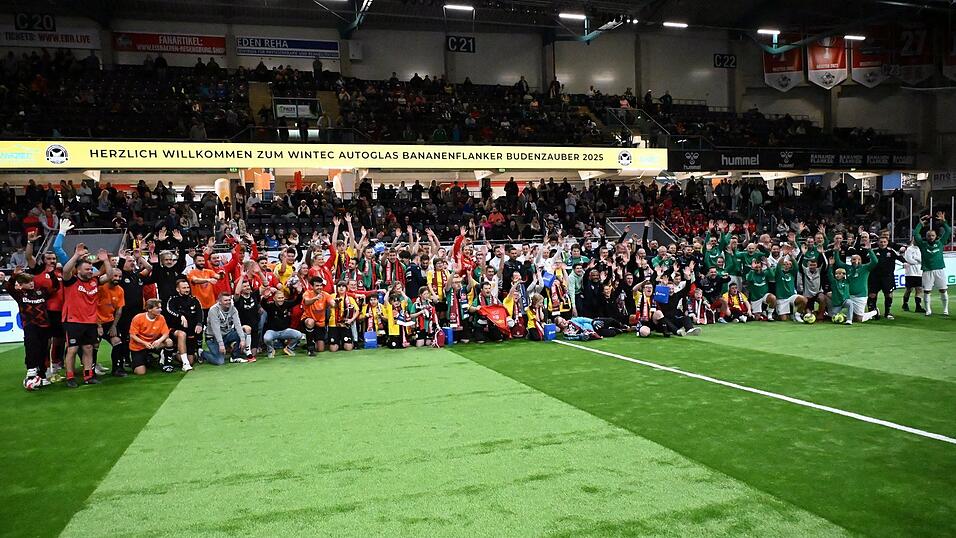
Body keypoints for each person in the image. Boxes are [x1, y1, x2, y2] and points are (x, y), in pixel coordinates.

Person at [61, 242, 113, 387]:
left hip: (90, 321)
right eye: (87, 269)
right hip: (72, 320)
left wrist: (106, 260)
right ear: (78, 270)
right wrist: (76, 255)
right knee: (72, 349)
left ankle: (88, 376)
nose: (91, 271)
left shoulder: (94, 281)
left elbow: (109, 275)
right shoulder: (71, 281)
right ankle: (70, 377)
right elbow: (65, 271)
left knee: (88, 348)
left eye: (91, 268)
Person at [6, 268, 51, 390]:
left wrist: (50, 274)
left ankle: (41, 374)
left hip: (45, 325)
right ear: (21, 285)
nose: (31, 283)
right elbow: (9, 287)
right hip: (30, 324)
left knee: (43, 349)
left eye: (32, 281)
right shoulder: (19, 294)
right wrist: (14, 275)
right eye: (28, 282)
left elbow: (55, 287)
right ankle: (31, 371)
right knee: (31, 345)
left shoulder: (41, 292)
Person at [913, 212, 951, 316]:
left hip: (939, 269)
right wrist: (920, 224)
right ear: (926, 236)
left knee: (943, 290)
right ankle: (928, 310)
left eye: (932, 235)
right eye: (929, 235)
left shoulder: (940, 243)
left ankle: (945, 310)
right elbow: (916, 234)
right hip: (927, 270)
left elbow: (948, 231)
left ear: (936, 236)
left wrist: (943, 222)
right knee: (927, 291)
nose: (930, 237)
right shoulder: (922, 244)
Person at [127, 299, 174, 375]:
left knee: (169, 342)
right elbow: (132, 335)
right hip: (139, 346)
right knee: (140, 372)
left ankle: (167, 364)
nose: (160, 310)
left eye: (160, 307)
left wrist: (159, 341)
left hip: (153, 344)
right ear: (149, 309)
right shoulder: (138, 318)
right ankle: (144, 360)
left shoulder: (161, 318)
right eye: (158, 308)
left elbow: (166, 333)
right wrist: (144, 343)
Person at [202, 292, 250, 365]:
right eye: (225, 300)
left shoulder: (233, 309)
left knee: (243, 334)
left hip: (227, 335)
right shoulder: (213, 310)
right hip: (213, 338)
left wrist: (243, 339)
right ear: (219, 302)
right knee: (219, 361)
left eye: (229, 300)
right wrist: (221, 344)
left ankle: (235, 357)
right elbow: (216, 329)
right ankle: (202, 353)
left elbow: (238, 325)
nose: (228, 302)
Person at [165, 278, 203, 370]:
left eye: (187, 287)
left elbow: (200, 313)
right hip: (175, 330)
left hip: (190, 331)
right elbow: (169, 310)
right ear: (178, 289)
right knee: (182, 334)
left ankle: (174, 355)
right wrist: (180, 316)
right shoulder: (172, 300)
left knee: (192, 360)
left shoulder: (194, 300)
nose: (187, 290)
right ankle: (185, 364)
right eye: (184, 288)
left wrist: (199, 324)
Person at [95, 268, 126, 377]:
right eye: (115, 276)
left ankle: (117, 369)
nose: (117, 279)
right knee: (95, 344)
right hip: (95, 321)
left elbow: (119, 311)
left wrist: (114, 326)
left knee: (117, 341)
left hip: (109, 322)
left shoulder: (120, 290)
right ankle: (92, 369)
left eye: (119, 277)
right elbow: (92, 307)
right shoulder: (100, 288)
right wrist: (98, 325)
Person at [262, 289, 303, 357]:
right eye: (279, 298)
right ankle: (270, 350)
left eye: (282, 298)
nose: (281, 300)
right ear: (274, 298)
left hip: (284, 331)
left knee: (299, 335)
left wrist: (299, 293)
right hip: (273, 331)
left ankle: (289, 348)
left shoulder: (286, 304)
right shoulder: (270, 306)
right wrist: (265, 297)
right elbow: (263, 304)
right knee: (266, 338)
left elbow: (297, 301)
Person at [901, 239, 924, 313]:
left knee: (919, 289)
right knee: (909, 289)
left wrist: (917, 259)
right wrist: (918, 261)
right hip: (910, 272)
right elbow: (909, 260)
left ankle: (918, 306)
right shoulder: (909, 249)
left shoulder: (921, 249)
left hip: (919, 272)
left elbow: (923, 260)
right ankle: (905, 304)